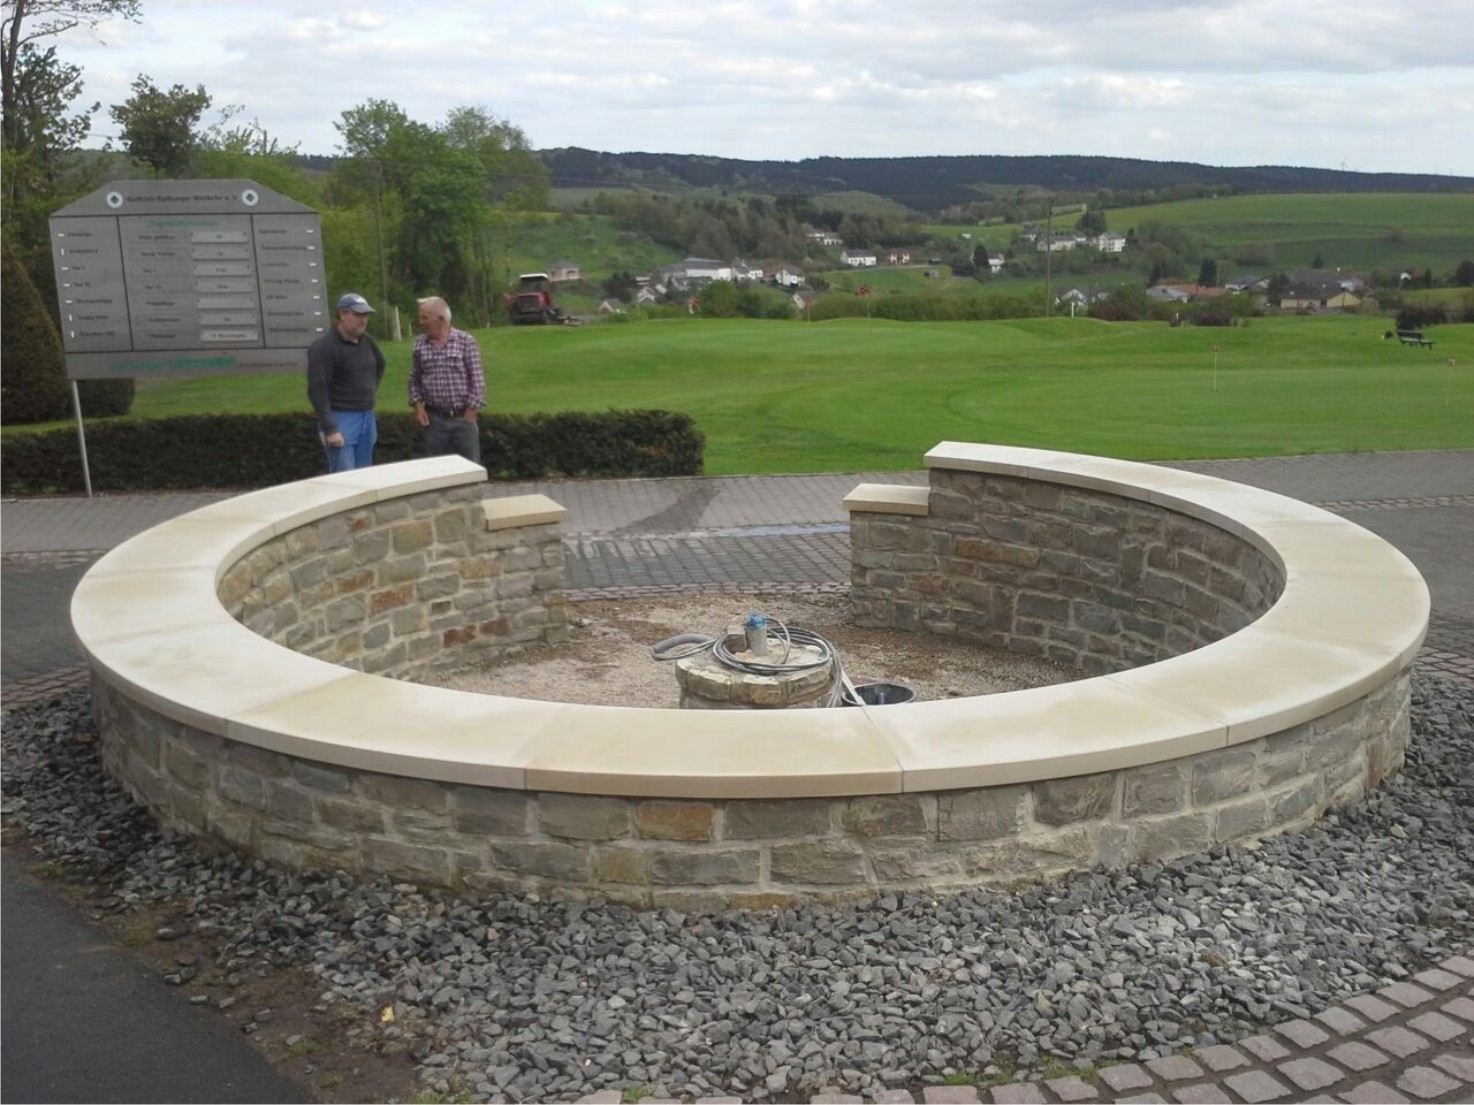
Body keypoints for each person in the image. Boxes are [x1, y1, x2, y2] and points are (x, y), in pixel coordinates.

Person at [306, 292, 385, 472]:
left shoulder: (367, 341)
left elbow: (380, 363)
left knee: (365, 476)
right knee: (345, 477)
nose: (363, 320)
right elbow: (317, 390)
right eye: (358, 315)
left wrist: (370, 392)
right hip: (340, 418)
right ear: (343, 314)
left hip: (367, 417)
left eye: (365, 315)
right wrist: (330, 428)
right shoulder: (324, 347)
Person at [410, 296, 485, 463]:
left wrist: (470, 412)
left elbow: (477, 380)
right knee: (437, 470)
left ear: (441, 319)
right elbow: (415, 379)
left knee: (469, 469)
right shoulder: (419, 345)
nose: (420, 322)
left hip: (463, 419)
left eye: (425, 318)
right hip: (434, 421)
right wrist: (418, 407)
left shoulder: (466, 342)